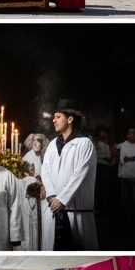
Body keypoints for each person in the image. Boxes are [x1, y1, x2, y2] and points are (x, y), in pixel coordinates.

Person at [40, 102, 98, 250]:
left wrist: (62, 198)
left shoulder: (84, 144)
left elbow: (81, 174)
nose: (54, 120)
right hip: (54, 209)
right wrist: (52, 196)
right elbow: (45, 170)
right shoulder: (53, 144)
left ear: (70, 119)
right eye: (54, 117)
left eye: (58, 117)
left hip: (77, 211)